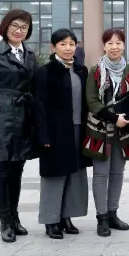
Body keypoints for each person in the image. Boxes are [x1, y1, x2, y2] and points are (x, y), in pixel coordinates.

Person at [0, 9, 37, 243]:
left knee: (17, 169)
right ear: (6, 27)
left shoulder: (29, 55)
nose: (19, 31)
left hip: (23, 117)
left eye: (24, 27)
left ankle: (14, 216)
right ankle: (4, 221)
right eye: (15, 26)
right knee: (1, 169)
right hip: (0, 116)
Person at [33, 29, 91, 239]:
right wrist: (43, 135)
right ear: (53, 47)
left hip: (78, 130)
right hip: (55, 132)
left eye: (71, 44)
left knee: (75, 176)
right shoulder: (45, 72)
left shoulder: (81, 70)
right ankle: (51, 221)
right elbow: (39, 105)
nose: (68, 48)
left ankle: (67, 217)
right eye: (63, 44)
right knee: (54, 176)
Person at [84, 28, 129, 237]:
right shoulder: (95, 71)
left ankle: (113, 213)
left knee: (117, 173)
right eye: (110, 43)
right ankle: (102, 218)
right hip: (100, 130)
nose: (114, 47)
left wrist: (127, 117)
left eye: (118, 43)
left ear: (123, 45)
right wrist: (113, 118)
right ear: (104, 46)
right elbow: (92, 101)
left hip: (123, 131)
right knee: (101, 174)